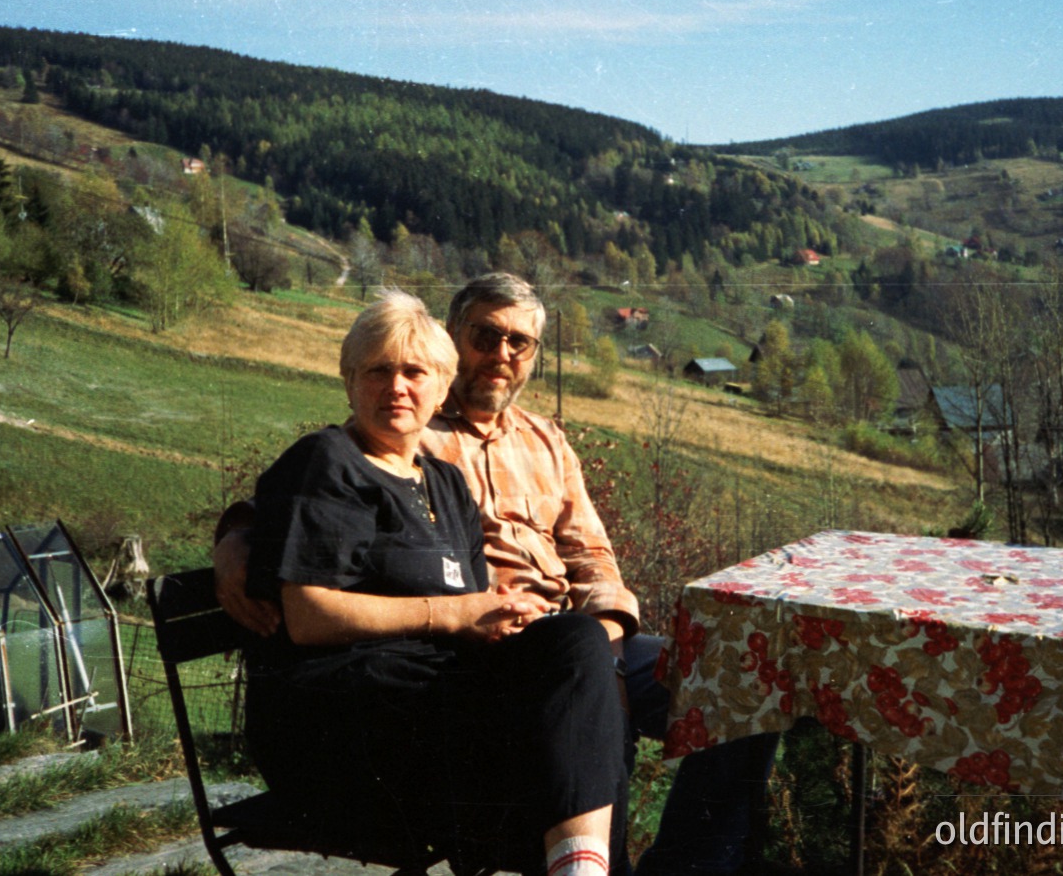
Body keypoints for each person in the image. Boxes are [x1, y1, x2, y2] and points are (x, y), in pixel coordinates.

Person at [219, 273, 779, 876]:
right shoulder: (414, 424)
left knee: (739, 684)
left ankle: (686, 868)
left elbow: (592, 554)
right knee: (579, 694)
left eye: (521, 343)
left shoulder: (545, 440)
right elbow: (312, 495)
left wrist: (611, 636)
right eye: (487, 335)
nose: (502, 354)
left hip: (568, 636)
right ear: (456, 339)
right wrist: (236, 535)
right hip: (484, 654)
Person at [242, 290, 628, 876]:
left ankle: (584, 870)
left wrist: (504, 620)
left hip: (431, 698)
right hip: (346, 715)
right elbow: (308, 615)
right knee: (563, 739)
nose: (397, 387)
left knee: (575, 646)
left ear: (442, 384)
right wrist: (451, 617)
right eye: (378, 371)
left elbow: (472, 612)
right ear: (350, 382)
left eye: (414, 372)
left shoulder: (444, 482)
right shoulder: (328, 461)